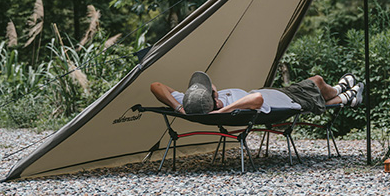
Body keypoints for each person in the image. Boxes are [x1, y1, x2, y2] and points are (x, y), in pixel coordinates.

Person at [150, 71, 363, 116]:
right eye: (211, 89)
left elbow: (156, 85)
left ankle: (347, 97)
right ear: (214, 100)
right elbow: (257, 99)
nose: (212, 86)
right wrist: (223, 111)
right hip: (287, 100)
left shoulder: (192, 104)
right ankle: (341, 91)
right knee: (317, 81)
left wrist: (178, 107)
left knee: (317, 88)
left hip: (277, 93)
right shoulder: (229, 107)